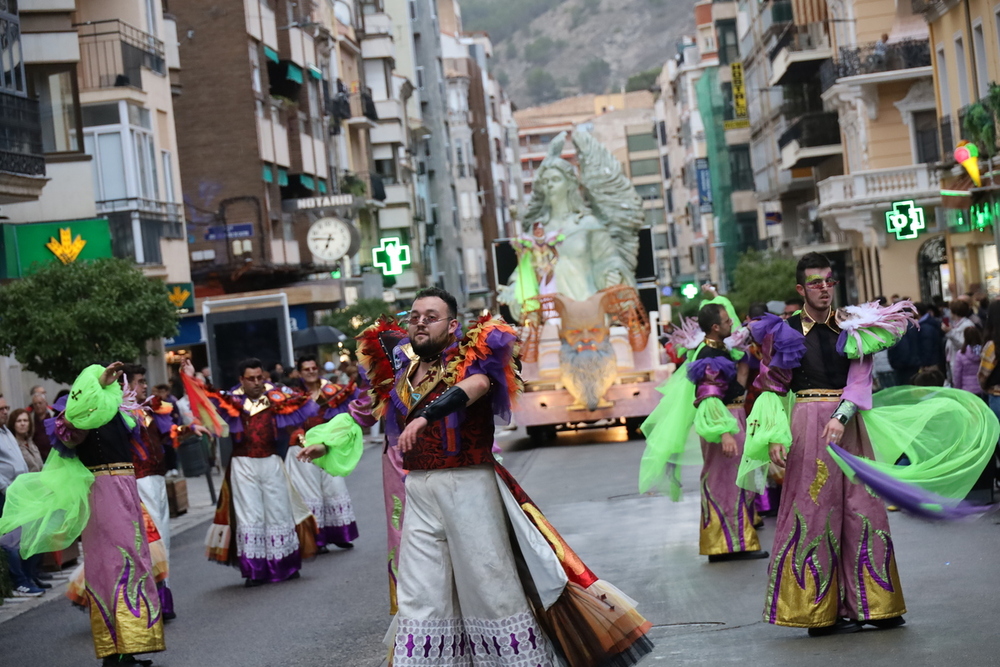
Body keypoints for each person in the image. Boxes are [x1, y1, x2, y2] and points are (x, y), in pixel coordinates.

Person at [322, 287, 653, 665]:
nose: (419, 323)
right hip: (419, 488)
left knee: (490, 588)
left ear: (452, 324)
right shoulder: (403, 369)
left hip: (468, 486)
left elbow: (475, 386)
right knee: (418, 595)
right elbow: (364, 410)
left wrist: (427, 415)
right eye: (414, 317)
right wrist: (324, 443)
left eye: (431, 316)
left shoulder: (474, 355)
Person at [742, 253, 907, 636]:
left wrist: (842, 416)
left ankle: (874, 604)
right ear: (800, 289)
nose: (823, 289)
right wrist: (773, 437)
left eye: (828, 281)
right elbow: (772, 388)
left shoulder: (853, 327)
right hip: (805, 423)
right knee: (814, 512)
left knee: (863, 508)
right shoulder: (782, 332)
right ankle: (818, 611)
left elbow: (861, 379)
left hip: (847, 424)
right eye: (815, 283)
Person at [48, 364, 165, 665]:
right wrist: (96, 385)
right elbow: (68, 435)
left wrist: (112, 390)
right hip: (101, 490)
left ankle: (130, 645)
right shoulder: (75, 414)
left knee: (134, 561)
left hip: (126, 487)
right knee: (111, 566)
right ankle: (114, 651)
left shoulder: (119, 407)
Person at [192, 357, 319, 587]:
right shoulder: (231, 399)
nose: (257, 382)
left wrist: (304, 441)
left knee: (279, 512)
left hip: (271, 461)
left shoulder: (277, 397)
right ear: (241, 380)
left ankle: (285, 566)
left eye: (261, 377)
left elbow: (298, 416)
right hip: (243, 464)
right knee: (250, 517)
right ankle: (255, 571)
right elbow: (204, 398)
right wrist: (191, 377)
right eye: (251, 379)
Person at [285, 354, 360, 551]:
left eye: (313, 368)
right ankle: (316, 539)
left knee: (334, 488)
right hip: (303, 449)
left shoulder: (332, 390)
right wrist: (300, 437)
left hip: (328, 447)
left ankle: (339, 534)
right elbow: (285, 420)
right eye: (306, 369)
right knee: (309, 494)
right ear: (299, 372)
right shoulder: (292, 394)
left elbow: (343, 416)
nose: (310, 372)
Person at [0, 396, 46, 599]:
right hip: (6, 493)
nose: (5, 411)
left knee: (29, 535)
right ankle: (20, 582)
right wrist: (6, 488)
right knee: (11, 540)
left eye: (6, 407)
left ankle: (28, 576)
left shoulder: (6, 431)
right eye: (1, 408)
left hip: (20, 492)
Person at [943, 299, 976, 383]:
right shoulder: (956, 324)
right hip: (953, 360)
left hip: (962, 362)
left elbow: (963, 344)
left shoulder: (967, 325)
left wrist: (950, 332)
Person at [952, 327, 984, 397]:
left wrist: (957, 389)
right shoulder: (984, 352)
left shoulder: (961, 354)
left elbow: (957, 375)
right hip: (982, 389)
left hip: (966, 390)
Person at [9, 409, 42, 473]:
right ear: (13, 425)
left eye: (25, 420)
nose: (22, 423)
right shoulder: (12, 445)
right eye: (19, 421)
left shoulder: (31, 442)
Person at [26, 385, 53, 460]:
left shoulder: (53, 416)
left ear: (45, 403)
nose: (38, 406)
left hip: (52, 454)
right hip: (37, 457)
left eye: (40, 403)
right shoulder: (30, 418)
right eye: (35, 404)